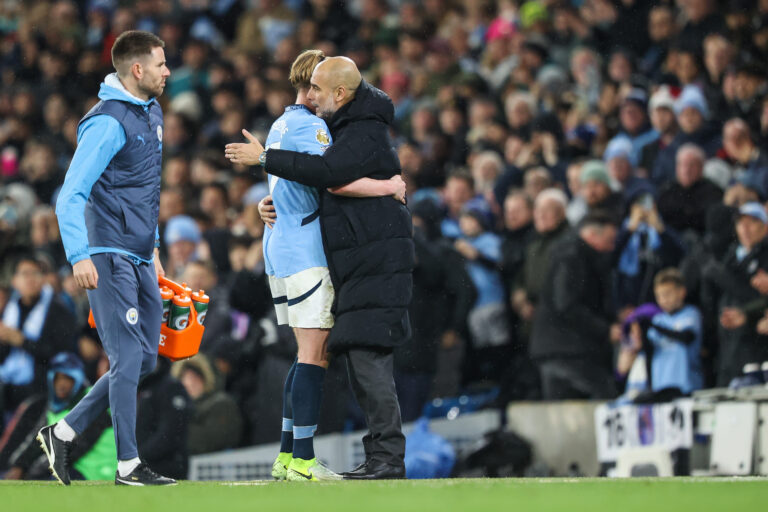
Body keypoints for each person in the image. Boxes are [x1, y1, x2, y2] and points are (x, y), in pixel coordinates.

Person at [226, 56, 413, 480]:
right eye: (314, 86)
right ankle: (303, 460)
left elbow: (307, 180)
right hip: (307, 254)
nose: (315, 95)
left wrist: (267, 191)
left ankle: (290, 455)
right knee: (315, 355)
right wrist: (389, 185)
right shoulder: (313, 127)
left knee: (306, 354)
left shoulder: (281, 125)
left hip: (285, 249)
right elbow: (331, 177)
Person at [37, 31, 175, 486]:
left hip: (138, 255)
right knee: (126, 358)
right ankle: (128, 465)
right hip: (107, 253)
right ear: (138, 70)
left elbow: (145, 192)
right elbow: (69, 195)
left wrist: (152, 248)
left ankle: (64, 431)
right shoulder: (107, 122)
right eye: (160, 64)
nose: (167, 72)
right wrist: (79, 255)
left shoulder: (151, 112)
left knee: (146, 359)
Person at [530, 212, 622, 400]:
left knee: (561, 416)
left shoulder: (567, 253)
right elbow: (566, 305)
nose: (611, 247)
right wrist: (606, 330)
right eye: (609, 240)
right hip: (569, 350)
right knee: (605, 394)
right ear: (591, 235)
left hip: (553, 348)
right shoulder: (573, 257)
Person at [1, 352, 116, 481]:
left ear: (77, 379)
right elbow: (38, 440)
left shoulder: (91, 400)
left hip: (99, 471)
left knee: (50, 483)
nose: (62, 384)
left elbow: (76, 448)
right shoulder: (55, 407)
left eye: (68, 378)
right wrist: (19, 466)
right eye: (58, 378)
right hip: (73, 467)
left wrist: (32, 474)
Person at [1, 256, 77, 422]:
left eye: (35, 273)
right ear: (14, 281)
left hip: (40, 390)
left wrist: (22, 341)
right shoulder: (8, 308)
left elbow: (61, 353)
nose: (30, 279)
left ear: (43, 278)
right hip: (7, 389)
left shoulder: (58, 310)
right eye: (25, 274)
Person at [619, 269, 703, 396]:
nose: (664, 299)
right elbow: (649, 352)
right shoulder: (659, 320)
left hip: (686, 386)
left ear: (682, 292)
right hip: (661, 387)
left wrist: (653, 326)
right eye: (659, 296)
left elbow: (687, 337)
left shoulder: (690, 313)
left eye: (668, 294)